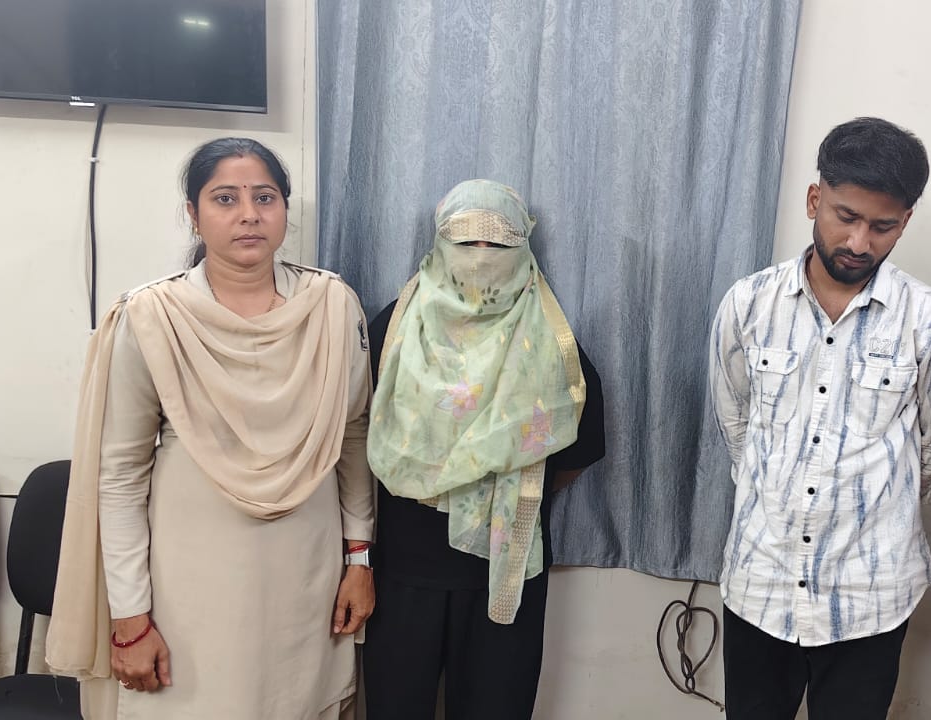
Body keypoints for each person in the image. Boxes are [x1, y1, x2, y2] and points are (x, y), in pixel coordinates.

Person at [47, 137, 376, 720]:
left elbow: (352, 437)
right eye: (225, 198)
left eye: (265, 197)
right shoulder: (152, 317)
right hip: (188, 581)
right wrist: (130, 616)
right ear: (193, 215)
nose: (249, 214)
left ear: (284, 209)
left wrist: (360, 560)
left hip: (307, 574)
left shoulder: (332, 305)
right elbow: (120, 475)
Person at [707, 117, 931, 719]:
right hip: (760, 580)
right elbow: (736, 424)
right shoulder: (749, 304)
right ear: (814, 199)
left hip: (869, 596)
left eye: (882, 226)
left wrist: (873, 502)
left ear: (906, 221)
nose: (858, 242)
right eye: (845, 216)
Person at [361, 179, 607, 720]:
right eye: (464, 241)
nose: (479, 257)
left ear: (523, 248)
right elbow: (360, 435)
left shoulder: (553, 344)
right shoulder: (394, 332)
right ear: (438, 243)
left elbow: (576, 448)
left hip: (506, 571)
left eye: (497, 243)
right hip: (404, 571)